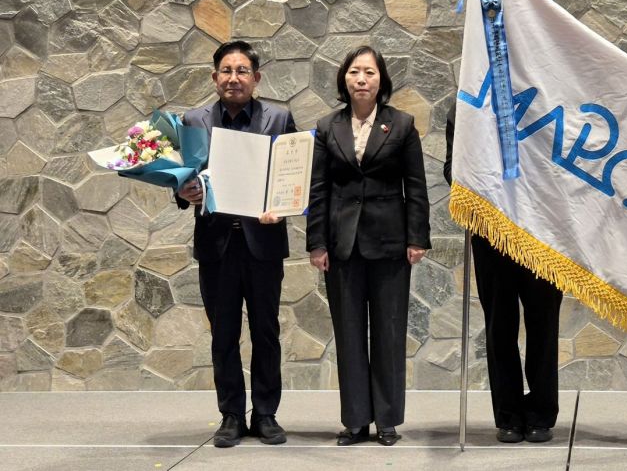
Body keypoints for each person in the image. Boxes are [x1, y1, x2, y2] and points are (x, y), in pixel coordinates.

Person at [306, 46, 431, 446]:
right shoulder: (327, 127)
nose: (362, 79)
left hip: (391, 243)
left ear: (382, 80)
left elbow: (416, 186)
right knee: (349, 333)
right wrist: (317, 243)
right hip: (342, 246)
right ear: (344, 78)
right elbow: (319, 189)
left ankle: (388, 420)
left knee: (390, 332)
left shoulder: (403, 124)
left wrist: (417, 238)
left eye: (370, 73)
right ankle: (356, 420)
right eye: (355, 72)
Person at [176, 41, 296, 448]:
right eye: (226, 70)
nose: (233, 78)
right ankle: (230, 414)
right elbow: (183, 179)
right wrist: (185, 192)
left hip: (263, 242)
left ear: (256, 78)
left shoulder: (278, 117)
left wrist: (281, 205)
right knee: (223, 334)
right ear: (214, 77)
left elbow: (291, 176)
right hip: (217, 244)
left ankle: (265, 414)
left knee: (266, 332)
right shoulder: (193, 120)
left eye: (242, 70)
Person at [444, 106, 563, 443]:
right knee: (499, 326)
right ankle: (508, 415)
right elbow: (450, 172)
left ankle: (541, 412)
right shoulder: (463, 109)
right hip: (491, 235)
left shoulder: (548, 100)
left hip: (542, 234)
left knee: (543, 324)